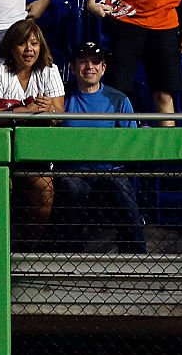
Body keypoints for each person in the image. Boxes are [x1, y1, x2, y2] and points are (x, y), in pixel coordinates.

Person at [0, 18, 63, 246]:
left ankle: (28, 247)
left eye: (34, 44)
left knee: (44, 191)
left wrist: (49, 110)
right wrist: (26, 111)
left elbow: (59, 116)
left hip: (33, 147)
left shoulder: (49, 70)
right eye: (22, 44)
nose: (29, 50)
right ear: (11, 46)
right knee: (1, 190)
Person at [55, 41, 146, 254]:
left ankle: (136, 257)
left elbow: (132, 144)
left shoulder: (119, 100)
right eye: (83, 61)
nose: (90, 67)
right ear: (73, 67)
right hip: (73, 171)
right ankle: (70, 257)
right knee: (71, 188)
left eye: (95, 62)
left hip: (110, 170)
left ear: (103, 68)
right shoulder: (62, 100)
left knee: (122, 191)